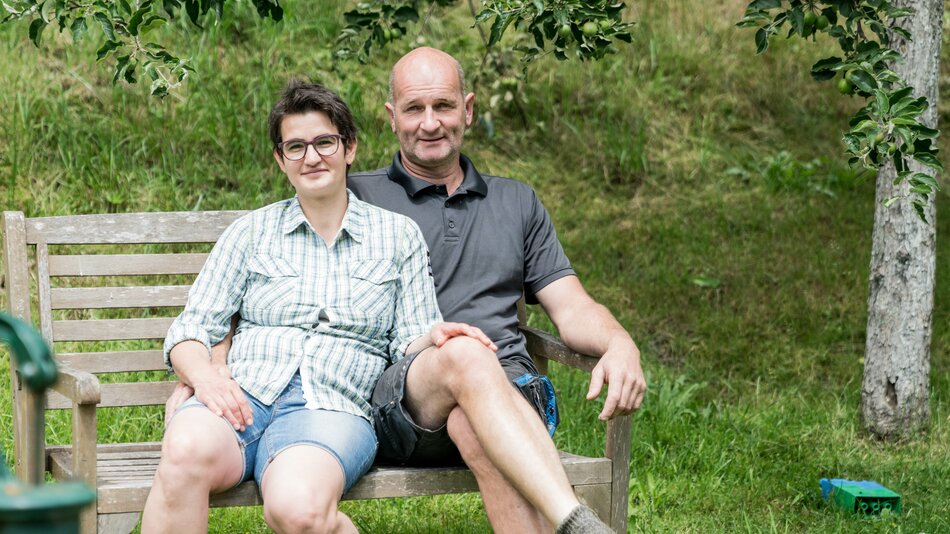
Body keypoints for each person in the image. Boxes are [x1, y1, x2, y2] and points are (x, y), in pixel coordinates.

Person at [169, 48, 646, 533]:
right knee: (461, 360)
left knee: (471, 421)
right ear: (392, 119)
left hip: (503, 389)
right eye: (415, 109)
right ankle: (576, 521)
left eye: (443, 106)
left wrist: (619, 342)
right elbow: (267, 282)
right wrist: (209, 368)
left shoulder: (517, 202)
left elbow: (572, 305)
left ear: (469, 109)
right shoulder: (357, 195)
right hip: (404, 393)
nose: (430, 123)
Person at [143, 81, 494, 534]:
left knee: (300, 509)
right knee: (183, 451)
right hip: (241, 396)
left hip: (331, 408)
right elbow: (190, 330)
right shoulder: (250, 232)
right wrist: (205, 377)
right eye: (295, 146)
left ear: (349, 148)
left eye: (324, 142)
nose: (311, 157)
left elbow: (409, 342)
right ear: (280, 158)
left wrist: (437, 336)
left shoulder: (398, 236)